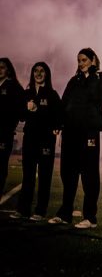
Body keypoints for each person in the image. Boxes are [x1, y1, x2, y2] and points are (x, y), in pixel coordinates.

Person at [48, 48, 102, 229]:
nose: (80, 63)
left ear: (92, 60)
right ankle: (65, 214)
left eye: (84, 60)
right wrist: (58, 124)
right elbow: (64, 103)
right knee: (68, 174)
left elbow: (98, 99)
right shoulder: (73, 80)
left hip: (89, 133)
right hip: (71, 133)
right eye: (78, 60)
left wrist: (89, 75)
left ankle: (90, 217)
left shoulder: (101, 77)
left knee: (89, 175)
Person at [11, 62, 62, 221]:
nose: (38, 74)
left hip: (46, 141)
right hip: (30, 139)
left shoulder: (52, 94)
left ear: (47, 74)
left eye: (42, 71)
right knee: (28, 176)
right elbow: (21, 116)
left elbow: (58, 116)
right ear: (32, 74)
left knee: (45, 177)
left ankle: (40, 211)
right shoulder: (27, 93)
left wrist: (38, 110)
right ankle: (23, 209)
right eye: (35, 71)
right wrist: (26, 108)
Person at [0, 57, 25, 197]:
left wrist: (11, 122)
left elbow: (21, 109)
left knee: (1, 165)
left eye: (2, 67)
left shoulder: (14, 86)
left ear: (8, 69)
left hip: (4, 133)